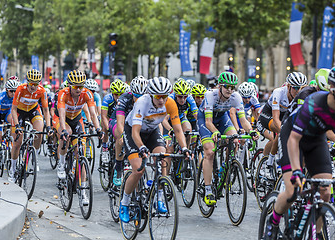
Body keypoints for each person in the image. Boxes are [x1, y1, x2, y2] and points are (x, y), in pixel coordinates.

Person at [264, 65, 335, 240]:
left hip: (316, 139)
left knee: (325, 191)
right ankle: (273, 221)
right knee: (292, 191)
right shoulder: (314, 102)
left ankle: (317, 234)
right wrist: (297, 170)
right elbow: (294, 139)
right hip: (292, 135)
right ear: (333, 89)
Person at [119, 76, 190, 223]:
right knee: (139, 169)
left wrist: (184, 148)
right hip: (133, 132)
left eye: (164, 96)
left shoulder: (170, 103)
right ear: (151, 95)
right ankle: (124, 203)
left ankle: (159, 199)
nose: (162, 100)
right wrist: (142, 147)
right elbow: (135, 133)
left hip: (152, 131)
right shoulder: (142, 103)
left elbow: (178, 130)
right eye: (158, 97)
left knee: (162, 157)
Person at [198, 72, 258, 206]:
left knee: (235, 140)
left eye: (232, 87)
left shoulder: (236, 97)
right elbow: (208, 122)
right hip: (206, 120)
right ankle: (208, 189)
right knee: (209, 152)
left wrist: (251, 131)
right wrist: (215, 132)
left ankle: (225, 169)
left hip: (222, 118)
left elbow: (243, 119)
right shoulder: (210, 95)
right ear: (220, 86)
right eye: (226, 87)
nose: (229, 90)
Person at [53, 70, 102, 205]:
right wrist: (62, 130)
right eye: (75, 87)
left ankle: (83, 192)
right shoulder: (63, 94)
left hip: (77, 120)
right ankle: (62, 164)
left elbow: (92, 114)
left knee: (81, 155)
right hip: (63, 119)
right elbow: (62, 115)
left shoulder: (87, 93)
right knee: (66, 135)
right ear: (70, 85)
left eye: (81, 86)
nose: (79, 89)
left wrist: (98, 129)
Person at [9, 69, 52, 182]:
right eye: (31, 83)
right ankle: (12, 170)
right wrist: (17, 125)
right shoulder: (20, 89)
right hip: (19, 112)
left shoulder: (42, 91)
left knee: (39, 132)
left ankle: (34, 157)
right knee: (17, 143)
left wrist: (48, 126)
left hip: (33, 110)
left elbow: (46, 111)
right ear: (27, 81)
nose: (33, 86)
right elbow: (13, 109)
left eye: (36, 84)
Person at [256, 72, 307, 160]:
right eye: (295, 88)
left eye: (301, 88)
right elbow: (276, 118)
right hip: (268, 115)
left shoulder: (302, 95)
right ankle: (266, 163)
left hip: (284, 116)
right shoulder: (278, 92)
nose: (298, 91)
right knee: (282, 132)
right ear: (288, 87)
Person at [109, 75, 148, 186]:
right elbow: (120, 123)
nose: (138, 99)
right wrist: (123, 136)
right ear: (132, 93)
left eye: (141, 96)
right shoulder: (124, 98)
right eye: (136, 96)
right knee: (121, 138)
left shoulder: (148, 101)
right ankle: (118, 166)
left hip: (134, 123)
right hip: (117, 120)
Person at [0, 78, 20, 173]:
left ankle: (10, 142)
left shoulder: (15, 97)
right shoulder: (1, 96)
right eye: (11, 91)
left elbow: (15, 111)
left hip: (7, 113)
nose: (13, 93)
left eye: (15, 91)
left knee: (12, 122)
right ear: (7, 90)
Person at [101, 79, 125, 152]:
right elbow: (104, 116)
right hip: (108, 118)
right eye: (116, 94)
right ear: (112, 93)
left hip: (119, 119)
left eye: (120, 94)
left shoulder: (125, 99)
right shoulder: (107, 98)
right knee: (105, 128)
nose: (118, 97)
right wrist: (108, 128)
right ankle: (104, 148)